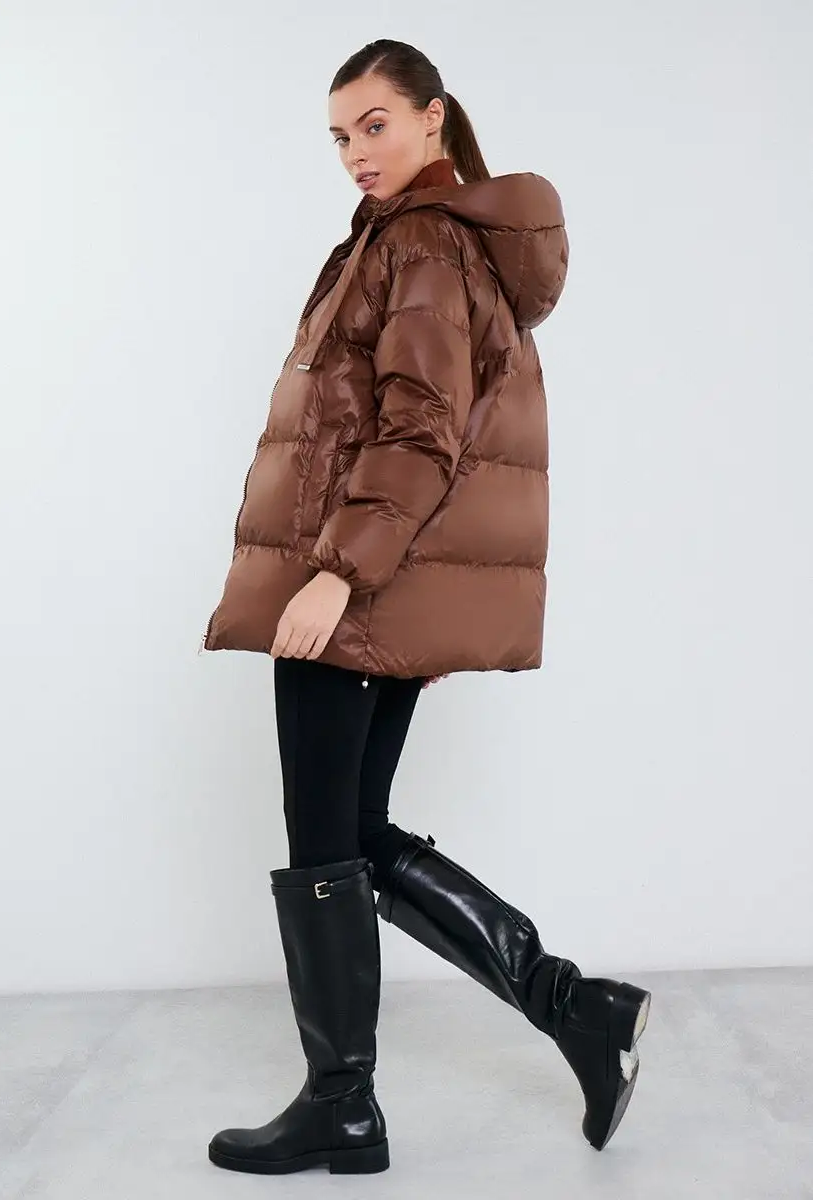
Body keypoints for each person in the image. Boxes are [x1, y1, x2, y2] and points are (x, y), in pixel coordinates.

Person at [200, 38, 651, 1176]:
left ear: (433, 117)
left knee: (325, 840)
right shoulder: (420, 238)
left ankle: (344, 1103)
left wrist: (338, 574)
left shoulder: (422, 243)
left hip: (350, 587)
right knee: (352, 834)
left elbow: (421, 432)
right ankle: (574, 1010)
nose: (356, 152)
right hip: (376, 582)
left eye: (376, 125)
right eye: (339, 137)